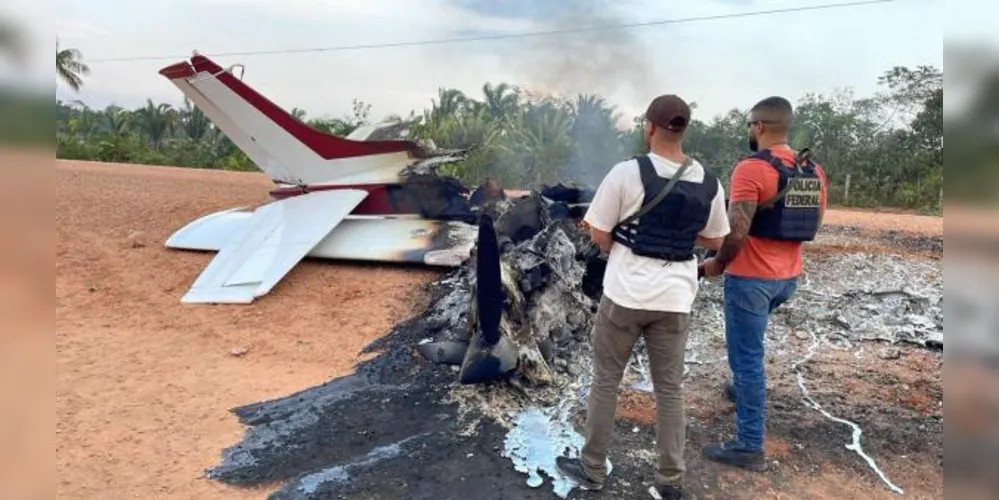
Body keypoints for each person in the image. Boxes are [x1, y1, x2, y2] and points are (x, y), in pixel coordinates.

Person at [556, 94, 730, 499]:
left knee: (606, 381)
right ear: (684, 129)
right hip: (675, 300)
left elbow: (599, 233)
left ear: (648, 127)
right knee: (669, 389)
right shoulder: (709, 181)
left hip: (625, 296)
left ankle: (593, 468)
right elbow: (716, 238)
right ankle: (670, 481)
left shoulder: (626, 173)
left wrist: (615, 242)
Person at [698, 96, 828, 471]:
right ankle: (741, 392)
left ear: (758, 127)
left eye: (748, 126)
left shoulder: (750, 169)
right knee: (750, 351)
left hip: (751, 280)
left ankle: (749, 444)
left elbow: (736, 232)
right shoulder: (813, 171)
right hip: (788, 279)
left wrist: (717, 263)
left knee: (748, 359)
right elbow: (814, 224)